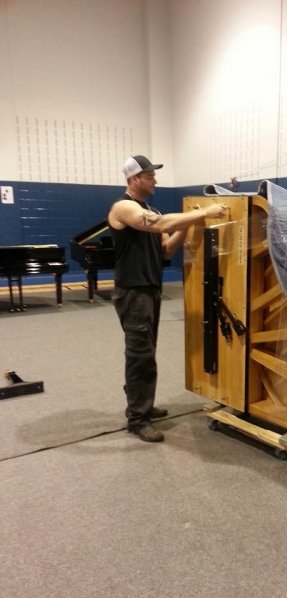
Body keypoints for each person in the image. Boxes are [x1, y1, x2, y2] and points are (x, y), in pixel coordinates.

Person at [108, 155, 228, 442]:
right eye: (149, 176)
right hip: (133, 292)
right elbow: (159, 224)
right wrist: (203, 213)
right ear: (134, 179)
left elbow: (166, 249)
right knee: (140, 356)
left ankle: (141, 403)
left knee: (146, 352)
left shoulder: (152, 209)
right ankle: (138, 419)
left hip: (150, 289)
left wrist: (187, 225)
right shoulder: (124, 207)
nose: (155, 180)